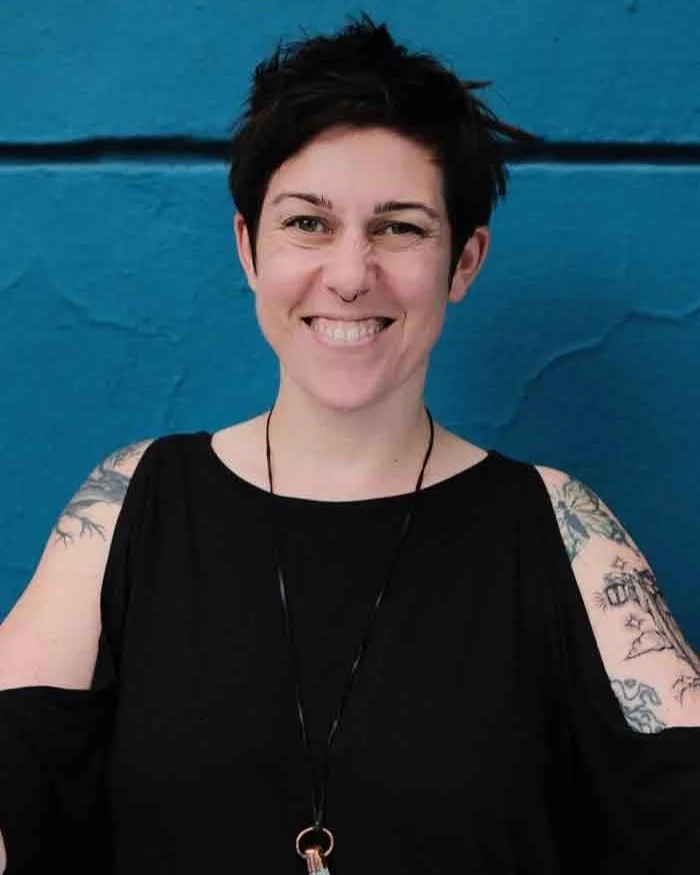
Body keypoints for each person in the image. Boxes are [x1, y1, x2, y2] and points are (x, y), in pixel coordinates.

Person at [1, 14, 699, 874]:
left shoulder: (560, 526)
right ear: (248, 247)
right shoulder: (133, 503)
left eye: (400, 228)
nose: (348, 273)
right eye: (308, 224)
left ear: (465, 260)